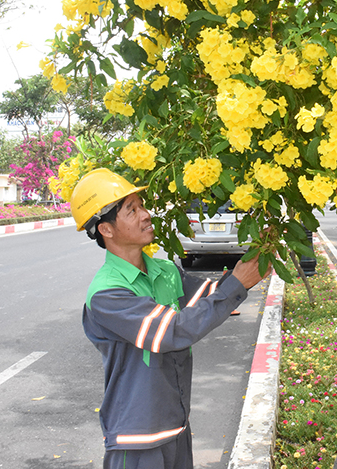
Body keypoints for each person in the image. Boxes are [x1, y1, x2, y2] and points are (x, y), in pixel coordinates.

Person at [70, 168, 269, 469]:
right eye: (131, 210)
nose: (145, 215)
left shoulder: (165, 271)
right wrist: (238, 283)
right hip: (137, 438)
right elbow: (171, 331)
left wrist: (256, 256)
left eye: (142, 206)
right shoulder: (106, 294)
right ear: (106, 229)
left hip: (176, 427)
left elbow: (214, 295)